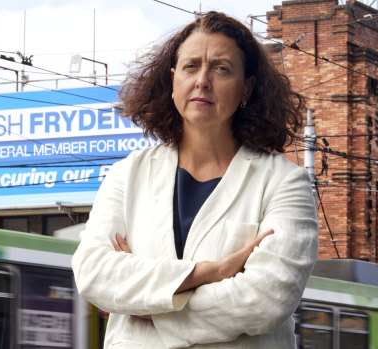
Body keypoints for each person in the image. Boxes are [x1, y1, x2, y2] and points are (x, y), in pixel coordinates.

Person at [71, 11, 318, 348]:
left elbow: (265, 301)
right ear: (173, 80)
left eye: (221, 68)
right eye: (190, 66)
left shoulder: (285, 183)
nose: (202, 80)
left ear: (248, 87)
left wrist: (147, 304)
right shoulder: (128, 174)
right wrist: (208, 273)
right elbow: (94, 274)